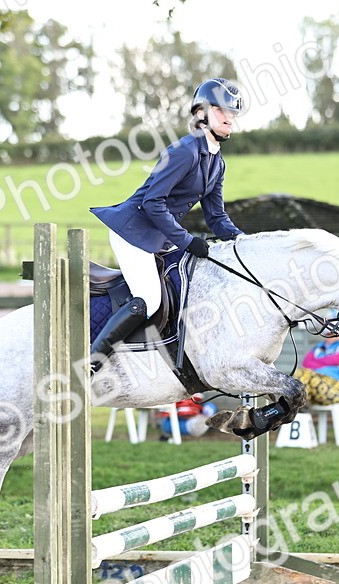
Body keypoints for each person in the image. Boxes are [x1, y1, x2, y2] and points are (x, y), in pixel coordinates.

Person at [88, 77, 248, 370]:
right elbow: (153, 202)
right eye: (222, 110)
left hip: (160, 235)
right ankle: (93, 360)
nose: (229, 118)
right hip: (133, 232)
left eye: (233, 113)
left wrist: (245, 242)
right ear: (201, 114)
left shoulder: (216, 162)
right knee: (148, 298)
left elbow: (216, 217)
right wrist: (187, 241)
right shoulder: (183, 151)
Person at [296, 335, 339, 406]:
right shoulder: (317, 348)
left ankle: (300, 406)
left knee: (305, 374)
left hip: (337, 391)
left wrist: (315, 362)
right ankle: (301, 404)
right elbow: (306, 363)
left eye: (334, 332)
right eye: (328, 332)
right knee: (300, 372)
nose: (331, 334)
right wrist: (329, 362)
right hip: (316, 392)